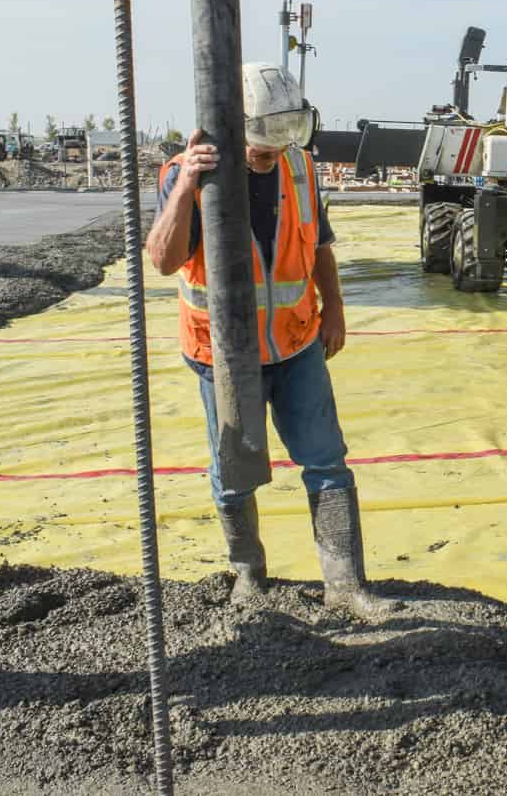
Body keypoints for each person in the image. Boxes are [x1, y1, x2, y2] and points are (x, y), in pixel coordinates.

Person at [147, 62, 396, 617]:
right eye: (260, 144)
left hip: (296, 343)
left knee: (327, 461)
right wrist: (188, 183)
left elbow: (321, 246)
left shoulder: (300, 166)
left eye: (279, 142)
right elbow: (162, 259)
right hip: (224, 355)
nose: (270, 153)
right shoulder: (189, 174)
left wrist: (334, 307)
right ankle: (248, 575)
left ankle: (345, 585)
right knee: (234, 473)